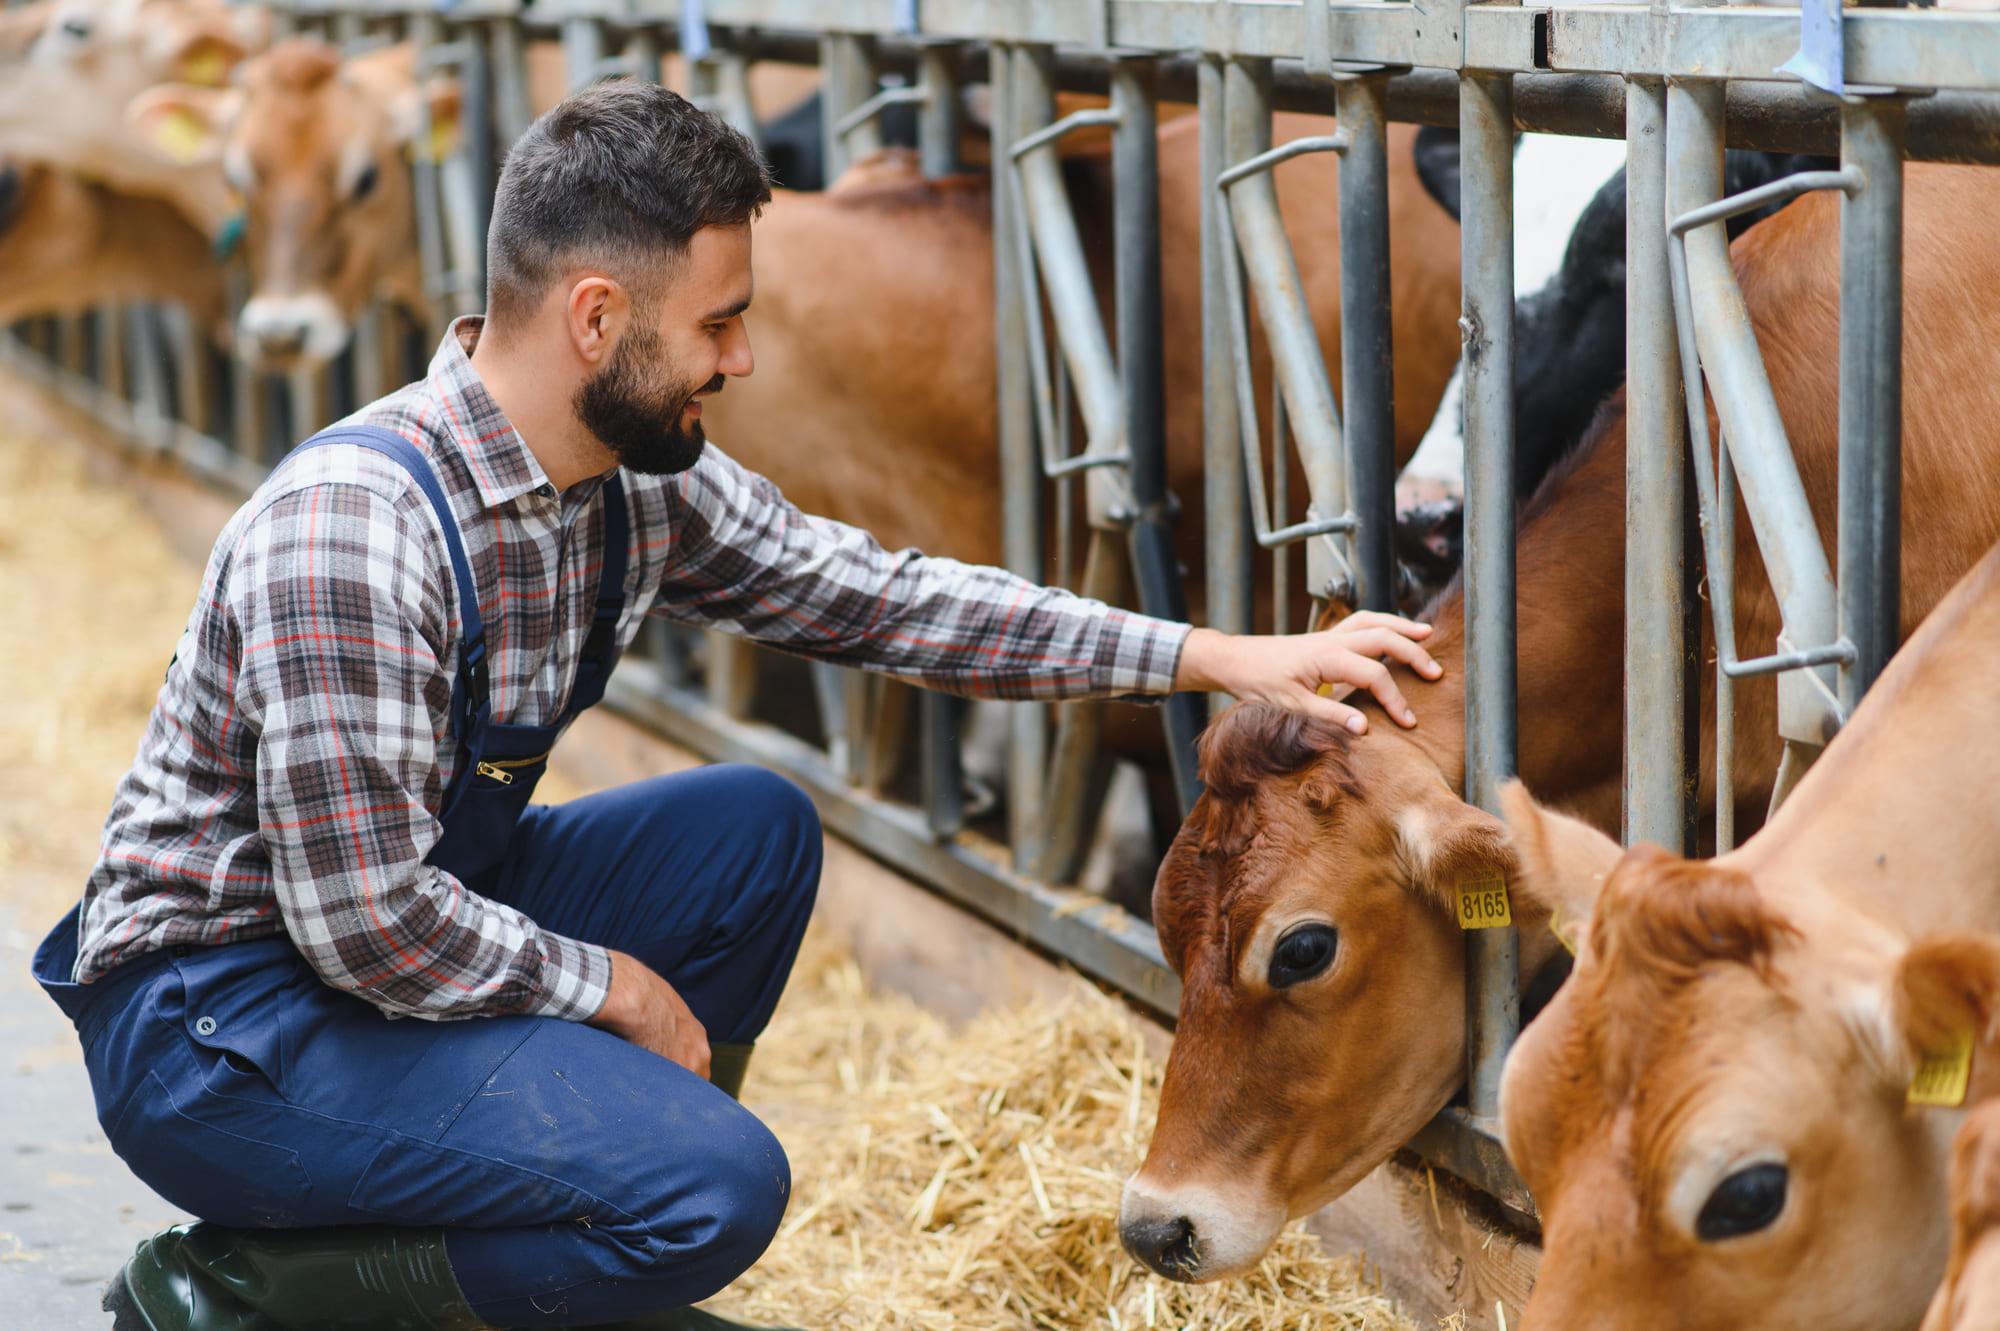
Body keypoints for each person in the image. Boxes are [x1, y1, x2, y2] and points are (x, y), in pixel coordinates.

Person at [36, 81, 1443, 1331]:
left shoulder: (629, 481)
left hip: (383, 936)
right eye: (719, 323)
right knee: (717, 1190)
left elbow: (884, 599)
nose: (744, 360)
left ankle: (583, 1248)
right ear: (598, 318)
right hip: (221, 1027)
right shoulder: (359, 533)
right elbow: (365, 925)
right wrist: (615, 991)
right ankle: (239, 1294)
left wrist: (1209, 656)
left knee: (750, 835)